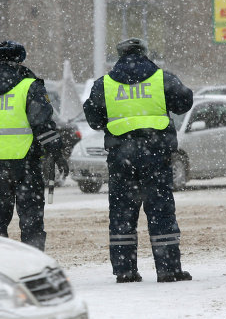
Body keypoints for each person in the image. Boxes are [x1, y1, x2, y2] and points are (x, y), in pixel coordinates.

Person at [83, 38, 194, 283]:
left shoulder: (105, 84)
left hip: (121, 160)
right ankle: (168, 269)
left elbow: (94, 119)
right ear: (144, 53)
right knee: (161, 212)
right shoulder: (162, 78)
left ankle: (125, 271)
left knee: (122, 214)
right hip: (156, 156)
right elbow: (184, 102)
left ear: (119, 56)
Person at [0, 40, 69, 251]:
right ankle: (32, 264)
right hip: (26, 161)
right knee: (31, 219)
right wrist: (56, 152)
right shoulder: (29, 86)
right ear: (20, 59)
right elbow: (43, 123)